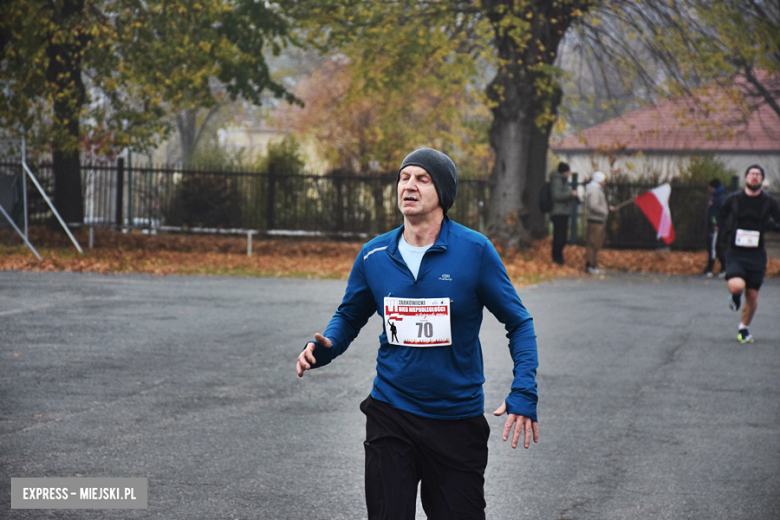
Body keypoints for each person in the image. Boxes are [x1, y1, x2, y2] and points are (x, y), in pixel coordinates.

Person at [296, 148, 539, 520]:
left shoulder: (474, 251)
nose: (408, 185)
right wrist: (324, 346)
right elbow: (349, 315)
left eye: (422, 179)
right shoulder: (373, 255)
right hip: (391, 412)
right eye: (404, 177)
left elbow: (518, 322)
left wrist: (523, 389)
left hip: (456, 420)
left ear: (442, 193)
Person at [720, 164, 780, 343]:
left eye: (758, 175)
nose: (754, 177)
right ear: (746, 178)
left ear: (762, 179)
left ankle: (743, 328)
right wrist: (725, 232)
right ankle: (735, 296)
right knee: (737, 285)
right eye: (751, 174)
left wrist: (770, 226)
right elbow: (721, 217)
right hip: (736, 252)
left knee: (752, 295)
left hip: (757, 254)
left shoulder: (769, 202)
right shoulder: (734, 199)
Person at [583, 171, 615, 274]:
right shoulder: (595, 190)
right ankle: (591, 266)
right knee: (593, 243)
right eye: (603, 180)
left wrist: (607, 208)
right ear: (599, 180)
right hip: (596, 220)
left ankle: (593, 265)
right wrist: (605, 211)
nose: (604, 182)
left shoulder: (594, 189)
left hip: (597, 219)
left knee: (596, 243)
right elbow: (594, 205)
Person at [550, 161, 579, 265]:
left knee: (562, 237)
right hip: (559, 212)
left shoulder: (563, 180)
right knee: (559, 236)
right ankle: (556, 258)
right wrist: (571, 194)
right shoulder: (558, 181)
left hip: (563, 212)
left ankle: (558, 257)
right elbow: (557, 195)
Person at [703, 178, 727, 277]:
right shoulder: (714, 197)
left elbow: (720, 214)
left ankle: (714, 268)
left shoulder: (720, 198)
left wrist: (716, 224)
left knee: (714, 247)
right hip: (712, 225)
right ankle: (713, 268)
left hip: (716, 227)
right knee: (712, 247)